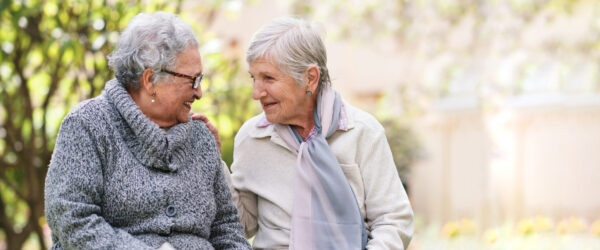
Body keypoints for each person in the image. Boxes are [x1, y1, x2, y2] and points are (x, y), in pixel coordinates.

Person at [44, 12, 250, 250]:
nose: (199, 92)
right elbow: (73, 220)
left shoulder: (201, 137)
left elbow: (227, 228)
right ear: (150, 80)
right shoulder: (87, 126)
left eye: (200, 79)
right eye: (192, 80)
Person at [223, 17, 414, 249]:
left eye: (268, 78)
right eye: (254, 78)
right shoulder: (252, 138)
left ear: (310, 78)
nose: (256, 92)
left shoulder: (363, 132)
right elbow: (243, 225)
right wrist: (215, 165)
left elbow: (393, 219)